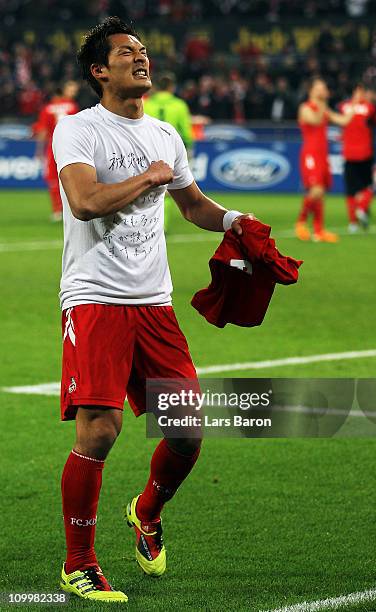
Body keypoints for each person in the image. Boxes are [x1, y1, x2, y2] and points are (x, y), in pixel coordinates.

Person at [52, 17, 252, 603]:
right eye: (125, 53)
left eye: (142, 51)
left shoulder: (165, 134)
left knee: (187, 433)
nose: (141, 59)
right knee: (101, 430)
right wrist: (147, 179)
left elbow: (191, 205)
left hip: (153, 303)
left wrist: (235, 221)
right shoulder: (78, 130)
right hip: (94, 299)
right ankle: (78, 563)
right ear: (99, 70)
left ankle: (145, 509)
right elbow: (85, 202)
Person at [295, 77, 353, 242]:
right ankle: (301, 222)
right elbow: (315, 120)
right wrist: (322, 104)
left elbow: (344, 120)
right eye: (320, 88)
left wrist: (355, 104)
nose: (323, 90)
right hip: (310, 154)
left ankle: (319, 231)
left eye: (324, 88)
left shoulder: (323, 109)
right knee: (316, 190)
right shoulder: (305, 108)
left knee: (321, 194)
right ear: (312, 91)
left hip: (322, 155)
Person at [144, 72, 193, 231]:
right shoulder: (179, 105)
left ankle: (146, 222)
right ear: (171, 87)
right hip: (171, 150)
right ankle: (161, 225)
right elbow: (185, 130)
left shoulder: (147, 103)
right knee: (169, 188)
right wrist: (189, 146)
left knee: (148, 186)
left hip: (148, 149)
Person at [34, 81, 79, 221]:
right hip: (71, 146)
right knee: (72, 179)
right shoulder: (72, 106)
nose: (73, 92)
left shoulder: (47, 109)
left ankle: (57, 211)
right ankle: (72, 209)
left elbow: (41, 132)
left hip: (53, 146)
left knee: (53, 179)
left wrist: (39, 150)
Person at [339, 83, 376, 232]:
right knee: (369, 187)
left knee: (350, 191)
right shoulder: (369, 107)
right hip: (365, 153)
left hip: (348, 154)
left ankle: (353, 223)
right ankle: (362, 209)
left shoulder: (343, 107)